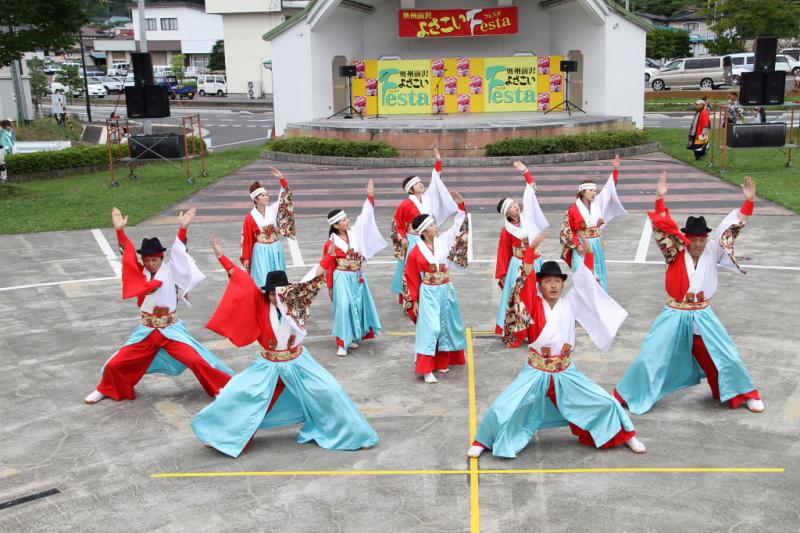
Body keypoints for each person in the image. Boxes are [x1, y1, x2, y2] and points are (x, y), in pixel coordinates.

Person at [191, 238, 380, 458]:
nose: (274, 297)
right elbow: (240, 279)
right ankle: (220, 435)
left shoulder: (296, 301)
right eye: (270, 293)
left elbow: (315, 275)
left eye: (278, 292)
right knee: (236, 393)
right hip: (268, 364)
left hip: (298, 361)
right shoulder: (260, 303)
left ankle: (357, 435)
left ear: (287, 291)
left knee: (331, 390)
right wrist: (221, 256)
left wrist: (329, 256)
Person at [468, 244, 645, 459]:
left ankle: (625, 435)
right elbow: (524, 280)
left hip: (565, 371)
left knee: (606, 401)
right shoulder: (533, 303)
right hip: (536, 370)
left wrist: (588, 255)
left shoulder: (570, 303)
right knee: (501, 408)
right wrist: (531, 249)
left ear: (562, 285)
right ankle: (483, 441)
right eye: (547, 282)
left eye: (557, 281)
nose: (553, 286)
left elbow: (587, 284)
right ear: (540, 285)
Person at [614, 173, 763, 414]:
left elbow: (732, 230)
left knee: (727, 356)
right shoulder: (674, 251)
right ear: (686, 239)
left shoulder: (713, 249)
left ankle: (744, 394)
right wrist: (659, 199)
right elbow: (662, 227)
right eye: (693, 239)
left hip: (703, 314)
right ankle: (626, 395)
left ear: (706, 238)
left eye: (701, 239)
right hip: (674, 312)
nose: (697, 244)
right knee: (649, 357)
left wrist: (749, 203)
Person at [84, 208, 233, 404]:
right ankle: (107, 389)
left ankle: (218, 388)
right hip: (146, 331)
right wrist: (119, 231)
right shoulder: (140, 274)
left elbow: (180, 252)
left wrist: (182, 228)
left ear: (161, 257)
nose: (150, 263)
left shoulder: (171, 271)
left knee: (196, 360)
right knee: (116, 363)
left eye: (154, 259)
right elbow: (127, 255)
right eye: (146, 260)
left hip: (170, 330)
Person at [404, 192, 469, 383]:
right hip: (430, 291)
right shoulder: (416, 252)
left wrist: (461, 208)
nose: (436, 226)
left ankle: (442, 361)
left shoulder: (443, 241)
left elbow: (457, 228)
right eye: (432, 225)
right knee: (430, 328)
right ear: (424, 231)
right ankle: (426, 368)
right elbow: (411, 278)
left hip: (446, 289)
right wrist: (414, 301)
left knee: (447, 326)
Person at [320, 179, 387, 356]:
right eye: (343, 220)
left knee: (357, 306)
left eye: (346, 218)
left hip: (356, 275)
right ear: (335, 225)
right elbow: (329, 266)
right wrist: (330, 286)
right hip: (341, 276)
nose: (347, 221)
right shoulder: (331, 243)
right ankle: (342, 343)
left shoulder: (354, 232)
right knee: (343, 308)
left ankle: (352, 337)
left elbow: (365, 217)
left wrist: (370, 196)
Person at [391, 148, 459, 306]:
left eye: (421, 182)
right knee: (411, 269)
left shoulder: (428, 198)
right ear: (410, 189)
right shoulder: (406, 204)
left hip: (428, 237)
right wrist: (402, 239)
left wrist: (438, 161)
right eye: (416, 184)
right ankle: (409, 298)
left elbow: (436, 180)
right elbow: (397, 223)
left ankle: (430, 292)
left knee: (431, 265)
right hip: (413, 238)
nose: (421, 185)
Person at [494, 161, 548, 334]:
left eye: (514, 203)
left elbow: (532, 188)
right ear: (506, 213)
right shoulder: (507, 230)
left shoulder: (528, 217)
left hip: (537, 261)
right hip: (519, 265)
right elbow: (503, 253)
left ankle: (539, 327)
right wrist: (502, 275)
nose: (515, 206)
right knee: (521, 297)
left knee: (539, 294)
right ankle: (521, 330)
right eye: (510, 207)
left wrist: (525, 171)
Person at [558, 155, 626, 292]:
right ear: (582, 192)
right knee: (581, 270)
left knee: (598, 269)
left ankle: (600, 297)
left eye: (595, 190)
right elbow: (566, 230)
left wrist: (616, 170)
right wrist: (577, 245)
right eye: (591, 190)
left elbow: (609, 189)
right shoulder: (573, 209)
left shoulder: (598, 203)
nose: (594, 193)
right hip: (582, 244)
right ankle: (582, 298)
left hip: (596, 243)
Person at [240, 167, 303, 286]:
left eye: (267, 195)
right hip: (261, 249)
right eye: (262, 195)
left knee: (278, 275)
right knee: (263, 277)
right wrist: (246, 257)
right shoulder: (250, 217)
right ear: (255, 199)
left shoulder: (273, 209)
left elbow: (283, 197)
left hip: (275, 246)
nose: (266, 197)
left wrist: (281, 179)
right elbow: (247, 239)